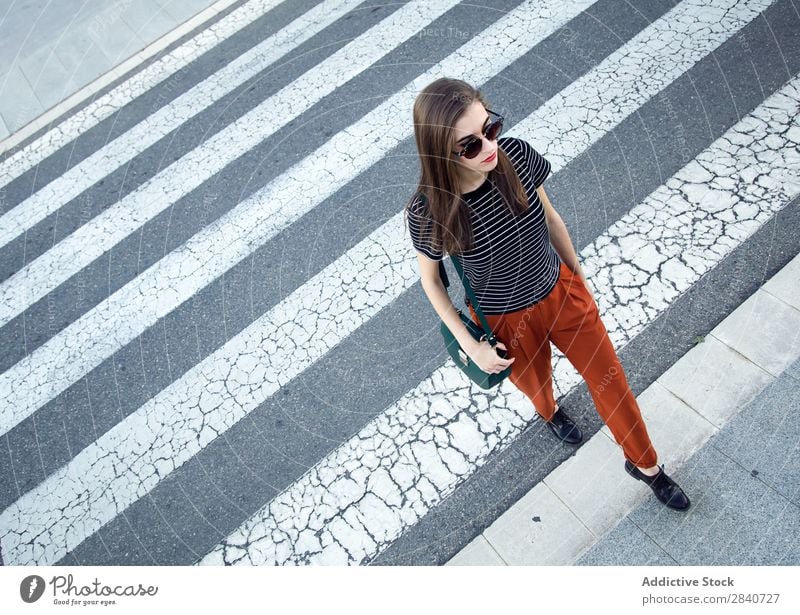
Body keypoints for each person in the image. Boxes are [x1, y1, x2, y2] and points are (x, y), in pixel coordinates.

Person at [403, 77, 690, 510]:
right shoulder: (430, 210)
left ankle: (646, 465)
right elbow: (431, 281)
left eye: (490, 129)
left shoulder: (515, 155)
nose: (487, 148)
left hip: (560, 292)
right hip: (504, 321)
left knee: (611, 382)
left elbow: (551, 217)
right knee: (537, 386)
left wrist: (579, 279)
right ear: (440, 152)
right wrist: (472, 346)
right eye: (469, 146)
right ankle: (550, 412)